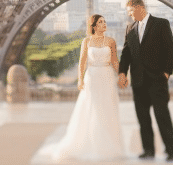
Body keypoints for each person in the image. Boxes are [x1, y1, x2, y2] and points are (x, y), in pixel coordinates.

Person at [48, 13, 125, 162]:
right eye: (101, 22)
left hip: (107, 76)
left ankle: (107, 144)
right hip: (93, 77)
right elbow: (82, 62)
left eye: (105, 21)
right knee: (91, 108)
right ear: (94, 26)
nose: (104, 24)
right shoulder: (86, 41)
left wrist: (122, 75)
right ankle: (91, 143)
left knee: (107, 108)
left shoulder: (111, 41)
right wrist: (80, 80)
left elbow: (115, 61)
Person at [118, 0, 173, 161]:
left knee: (162, 117)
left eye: (130, 12)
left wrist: (166, 73)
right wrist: (122, 72)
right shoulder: (130, 28)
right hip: (138, 81)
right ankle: (148, 150)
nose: (129, 15)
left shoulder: (161, 23)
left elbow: (170, 49)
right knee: (143, 119)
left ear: (139, 7)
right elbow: (126, 53)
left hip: (157, 79)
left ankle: (171, 150)